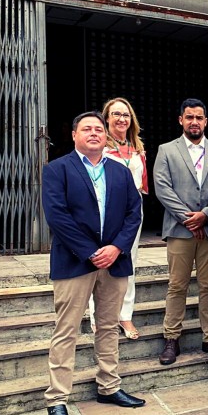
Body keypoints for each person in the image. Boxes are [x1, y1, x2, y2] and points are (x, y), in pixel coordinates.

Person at [42, 111, 145, 415]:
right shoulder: (56, 169)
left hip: (115, 262)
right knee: (67, 329)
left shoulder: (119, 171)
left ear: (106, 136)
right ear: (74, 135)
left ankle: (109, 386)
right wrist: (89, 252)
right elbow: (57, 215)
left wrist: (116, 248)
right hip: (75, 262)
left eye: (98, 129)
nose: (94, 133)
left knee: (109, 326)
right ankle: (57, 398)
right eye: (86, 128)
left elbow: (134, 213)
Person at [153, 98, 208, 365]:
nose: (194, 122)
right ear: (181, 120)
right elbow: (162, 188)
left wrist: (205, 215)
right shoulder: (166, 150)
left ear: (206, 122)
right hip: (179, 229)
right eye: (189, 117)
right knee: (177, 285)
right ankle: (171, 338)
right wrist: (189, 219)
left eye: (199, 117)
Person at [88, 97, 148, 339]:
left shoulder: (138, 148)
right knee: (102, 262)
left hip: (133, 212)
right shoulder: (99, 148)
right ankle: (97, 316)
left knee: (129, 264)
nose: (122, 119)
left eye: (126, 114)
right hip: (106, 210)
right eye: (116, 114)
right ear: (107, 119)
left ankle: (125, 315)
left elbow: (141, 184)